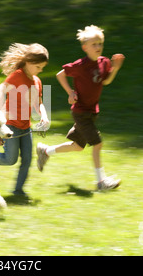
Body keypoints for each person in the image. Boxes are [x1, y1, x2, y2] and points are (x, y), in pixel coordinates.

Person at [37, 25, 125, 190]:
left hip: (91, 112)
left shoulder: (105, 62)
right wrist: (70, 91)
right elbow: (60, 74)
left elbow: (105, 81)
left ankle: (45, 151)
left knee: (77, 146)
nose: (98, 47)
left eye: (100, 44)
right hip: (81, 112)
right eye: (94, 44)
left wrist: (115, 69)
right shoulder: (80, 65)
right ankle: (101, 182)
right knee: (97, 144)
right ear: (85, 47)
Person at [0, 43, 50, 196]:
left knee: (27, 159)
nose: (40, 71)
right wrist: (1, 112)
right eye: (38, 67)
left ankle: (18, 191)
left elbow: (38, 103)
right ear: (29, 62)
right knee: (10, 159)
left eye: (42, 68)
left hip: (26, 127)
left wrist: (44, 116)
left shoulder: (36, 81)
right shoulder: (18, 75)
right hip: (11, 126)